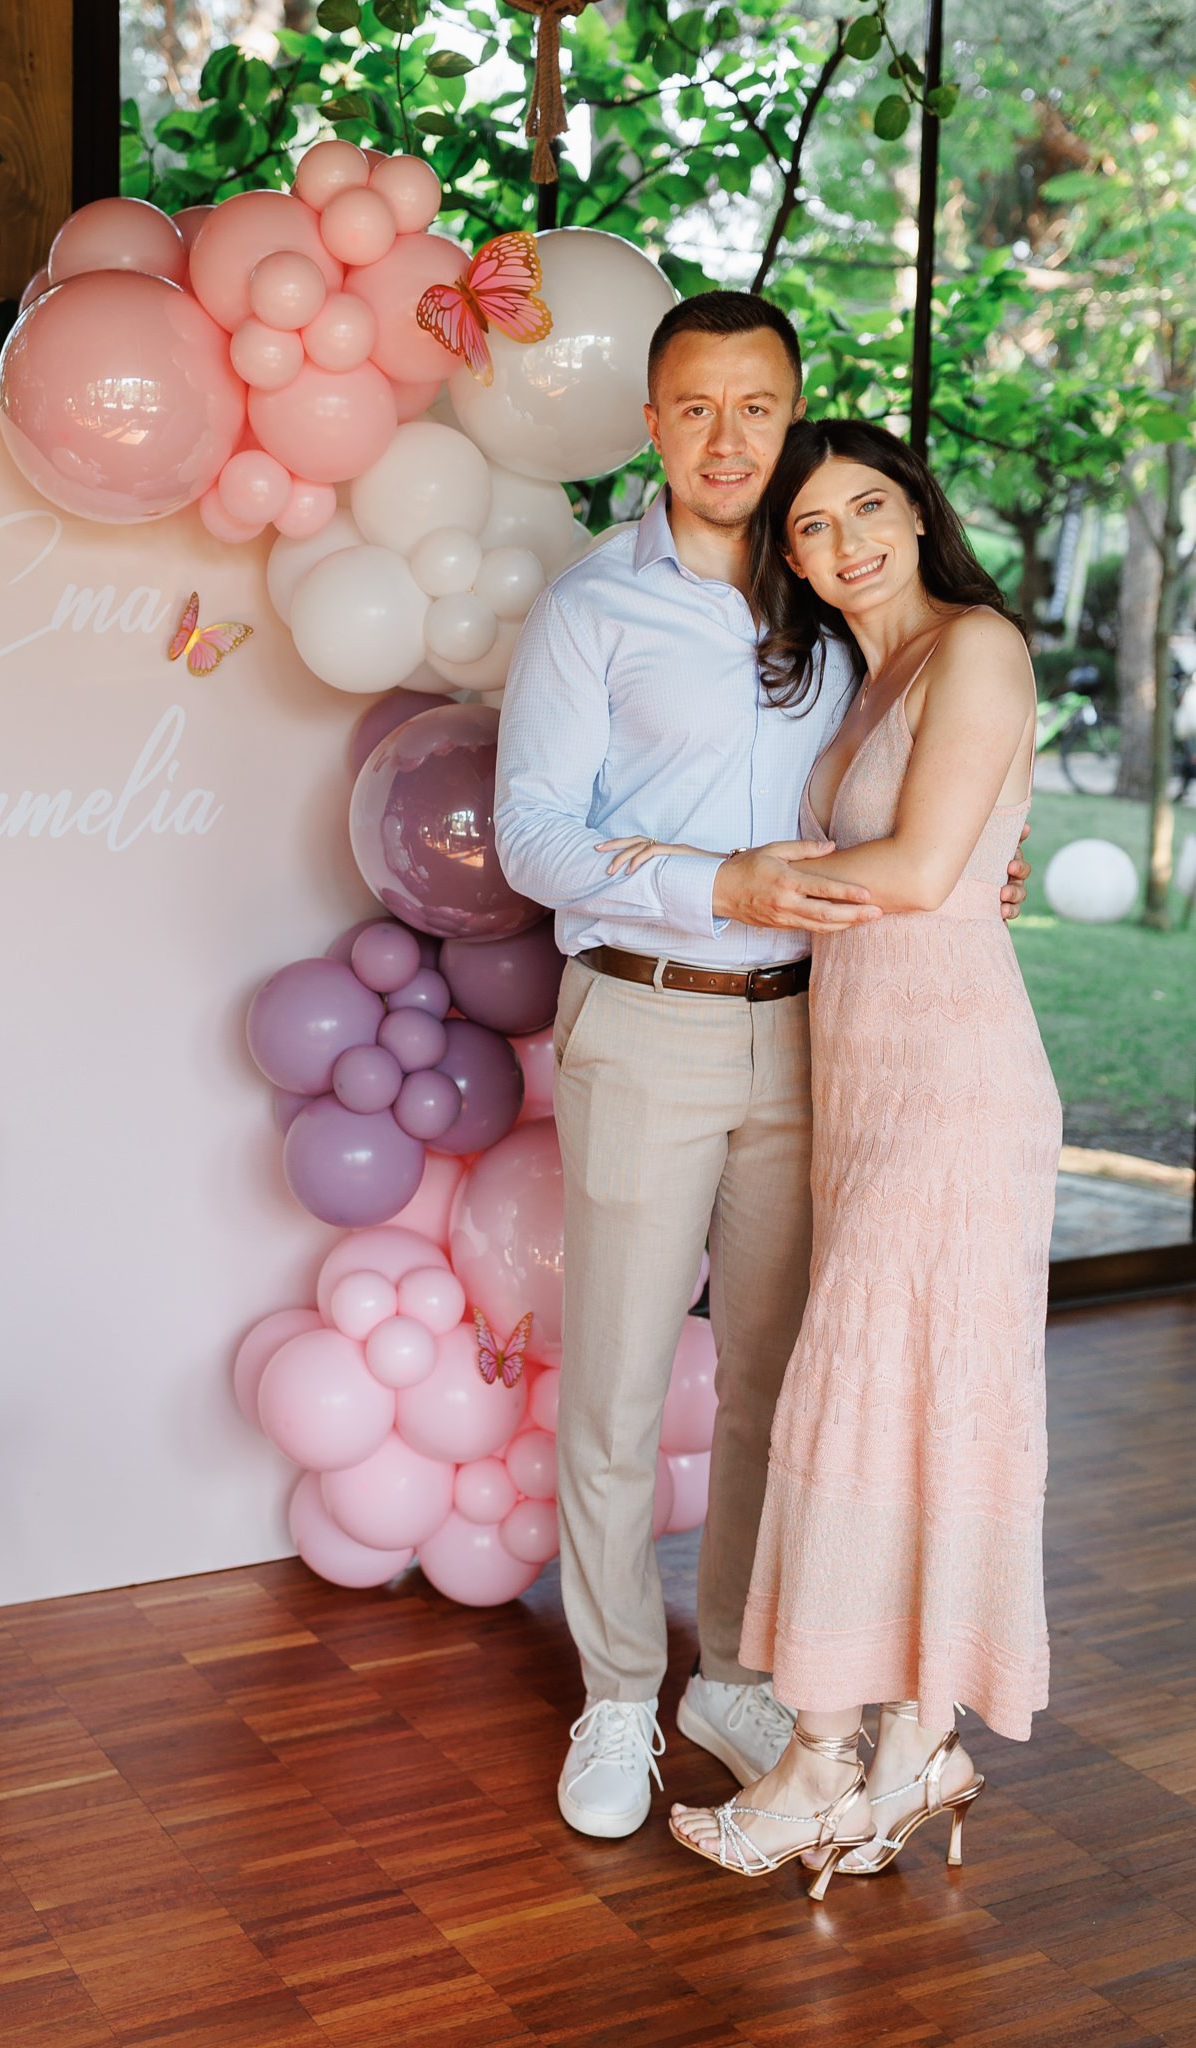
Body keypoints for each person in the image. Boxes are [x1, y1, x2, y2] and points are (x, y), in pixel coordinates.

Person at [493, 294, 1028, 1842]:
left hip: (820, 1035)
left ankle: (730, 1673)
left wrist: (975, 860)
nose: (725, 438)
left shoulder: (839, 602)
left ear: (792, 414)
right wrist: (712, 883)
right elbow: (530, 836)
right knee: (614, 1384)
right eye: (694, 407)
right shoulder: (590, 608)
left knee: (775, 1387)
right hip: (644, 1014)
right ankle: (614, 1694)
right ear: (651, 424)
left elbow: (924, 783)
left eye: (756, 407)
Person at [616, 418, 1062, 1898]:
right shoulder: (868, 682)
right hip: (867, 1082)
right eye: (812, 526)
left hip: (951, 1088)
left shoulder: (974, 645)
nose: (846, 542)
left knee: (872, 1403)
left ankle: (823, 1759)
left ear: (916, 512)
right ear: (792, 559)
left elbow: (926, 871)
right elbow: (948, 851)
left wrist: (714, 885)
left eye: (868, 507)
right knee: (895, 1412)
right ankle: (912, 1750)